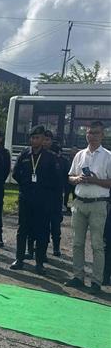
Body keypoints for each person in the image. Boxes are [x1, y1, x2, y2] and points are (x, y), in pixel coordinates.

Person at [66, 121, 111, 293]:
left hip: (98, 203)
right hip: (79, 202)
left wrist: (94, 180)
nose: (92, 136)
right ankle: (78, 276)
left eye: (96, 133)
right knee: (77, 242)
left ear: (102, 135)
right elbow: (70, 176)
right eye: (90, 133)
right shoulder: (80, 155)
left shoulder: (108, 156)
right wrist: (77, 179)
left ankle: (96, 281)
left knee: (97, 244)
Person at [10, 125, 59, 275]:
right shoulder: (24, 154)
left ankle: (39, 263)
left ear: (43, 139)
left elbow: (56, 179)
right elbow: (15, 173)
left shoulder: (50, 157)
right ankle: (19, 259)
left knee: (42, 231)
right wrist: (26, 185)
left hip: (43, 200)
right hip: (26, 198)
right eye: (32, 138)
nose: (34, 140)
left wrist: (45, 190)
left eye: (37, 138)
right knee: (22, 229)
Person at [46, 140, 69, 257]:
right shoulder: (46, 159)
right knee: (51, 223)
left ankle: (54, 247)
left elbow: (67, 178)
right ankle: (52, 247)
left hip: (54, 196)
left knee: (53, 224)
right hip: (52, 196)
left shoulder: (63, 162)